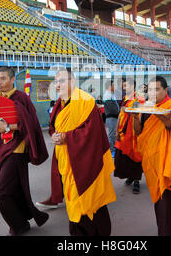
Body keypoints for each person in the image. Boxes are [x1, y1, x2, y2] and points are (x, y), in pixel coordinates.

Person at [0, 67, 49, 236]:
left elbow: (31, 125)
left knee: (0, 192)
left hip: (17, 149)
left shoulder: (22, 98)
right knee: (13, 189)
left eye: (3, 78)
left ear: (13, 79)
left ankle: (19, 225)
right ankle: (22, 219)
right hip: (1, 148)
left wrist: (8, 127)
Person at [49, 68, 116, 236]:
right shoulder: (61, 103)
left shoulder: (85, 101)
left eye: (62, 81)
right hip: (67, 160)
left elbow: (92, 134)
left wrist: (65, 138)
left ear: (73, 81)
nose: (58, 85)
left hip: (86, 162)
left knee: (92, 202)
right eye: (56, 81)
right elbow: (55, 128)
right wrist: (55, 137)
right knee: (73, 201)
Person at [131, 76, 171, 236]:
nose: (153, 93)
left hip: (168, 162)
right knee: (164, 203)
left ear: (165, 90)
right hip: (151, 162)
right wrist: (135, 118)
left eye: (157, 89)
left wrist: (168, 123)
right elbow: (138, 133)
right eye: (150, 90)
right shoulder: (145, 109)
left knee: (165, 204)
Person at [114, 78, 143, 194]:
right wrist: (117, 130)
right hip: (123, 132)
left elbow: (138, 115)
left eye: (127, 86)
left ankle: (136, 180)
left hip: (134, 133)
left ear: (133, 86)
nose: (125, 88)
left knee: (135, 156)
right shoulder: (125, 99)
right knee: (124, 157)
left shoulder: (138, 99)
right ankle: (130, 176)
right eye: (123, 86)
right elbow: (120, 116)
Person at [103, 80, 120, 159]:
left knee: (113, 134)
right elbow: (112, 109)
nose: (114, 87)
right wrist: (119, 112)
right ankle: (111, 150)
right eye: (113, 85)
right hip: (111, 117)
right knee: (111, 135)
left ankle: (113, 149)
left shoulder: (111, 94)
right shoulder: (107, 95)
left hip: (114, 117)